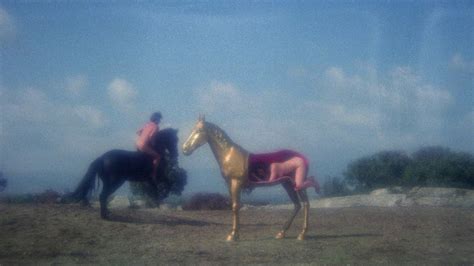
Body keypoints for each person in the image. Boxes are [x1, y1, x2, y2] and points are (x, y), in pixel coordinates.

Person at [136, 112, 162, 181]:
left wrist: (143, 136)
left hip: (137, 144)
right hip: (143, 145)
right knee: (158, 156)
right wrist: (153, 143)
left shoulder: (147, 124)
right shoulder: (156, 127)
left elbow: (138, 132)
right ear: (156, 119)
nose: (159, 121)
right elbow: (151, 137)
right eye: (159, 119)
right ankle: (153, 174)